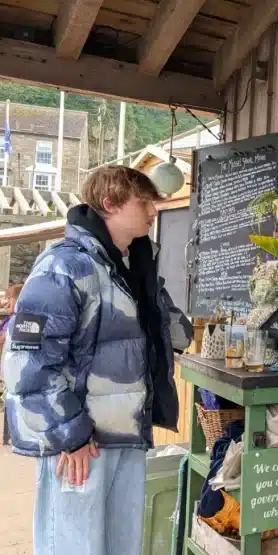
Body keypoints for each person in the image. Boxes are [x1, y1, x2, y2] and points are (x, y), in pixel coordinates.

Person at [1, 165, 192, 555]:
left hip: (128, 435)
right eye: (145, 203)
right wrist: (71, 436)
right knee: (74, 547)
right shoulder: (64, 266)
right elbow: (27, 363)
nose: (154, 213)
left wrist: (152, 293)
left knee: (121, 547)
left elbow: (179, 335)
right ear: (109, 203)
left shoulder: (135, 269)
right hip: (82, 445)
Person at [0, 283, 24, 446]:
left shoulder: (19, 320)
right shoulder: (10, 319)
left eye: (10, 298)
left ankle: (15, 435)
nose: (7, 302)